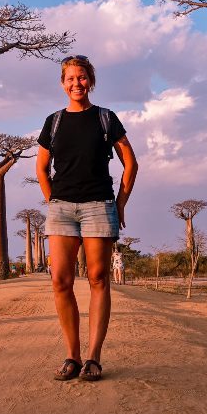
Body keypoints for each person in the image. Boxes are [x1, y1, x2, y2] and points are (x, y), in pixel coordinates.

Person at [36, 55, 138, 382]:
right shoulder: (54, 122)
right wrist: (52, 199)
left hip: (98, 204)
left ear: (90, 81)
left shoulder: (106, 118)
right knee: (60, 281)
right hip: (62, 207)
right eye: (70, 78)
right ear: (62, 83)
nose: (76, 84)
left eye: (82, 78)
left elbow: (130, 163)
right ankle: (72, 355)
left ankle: (94, 356)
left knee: (98, 279)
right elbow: (41, 167)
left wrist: (120, 203)